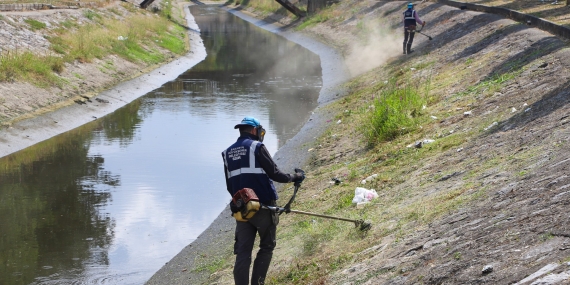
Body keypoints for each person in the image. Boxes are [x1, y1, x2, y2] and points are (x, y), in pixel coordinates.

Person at [222, 116, 305, 285]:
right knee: (266, 247)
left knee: (243, 252)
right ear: (254, 130)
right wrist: (296, 176)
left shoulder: (227, 153)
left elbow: (230, 186)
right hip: (263, 207)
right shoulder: (257, 147)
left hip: (242, 210)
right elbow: (276, 175)